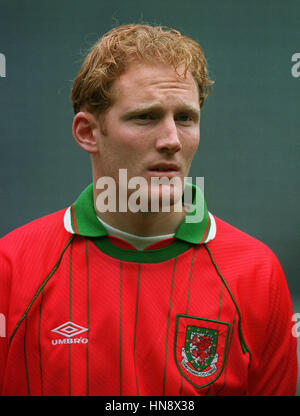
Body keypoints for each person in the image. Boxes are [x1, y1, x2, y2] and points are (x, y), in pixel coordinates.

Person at [0, 24, 297, 396]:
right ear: (88, 132)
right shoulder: (12, 266)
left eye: (185, 118)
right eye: (146, 117)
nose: (172, 140)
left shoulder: (257, 274)